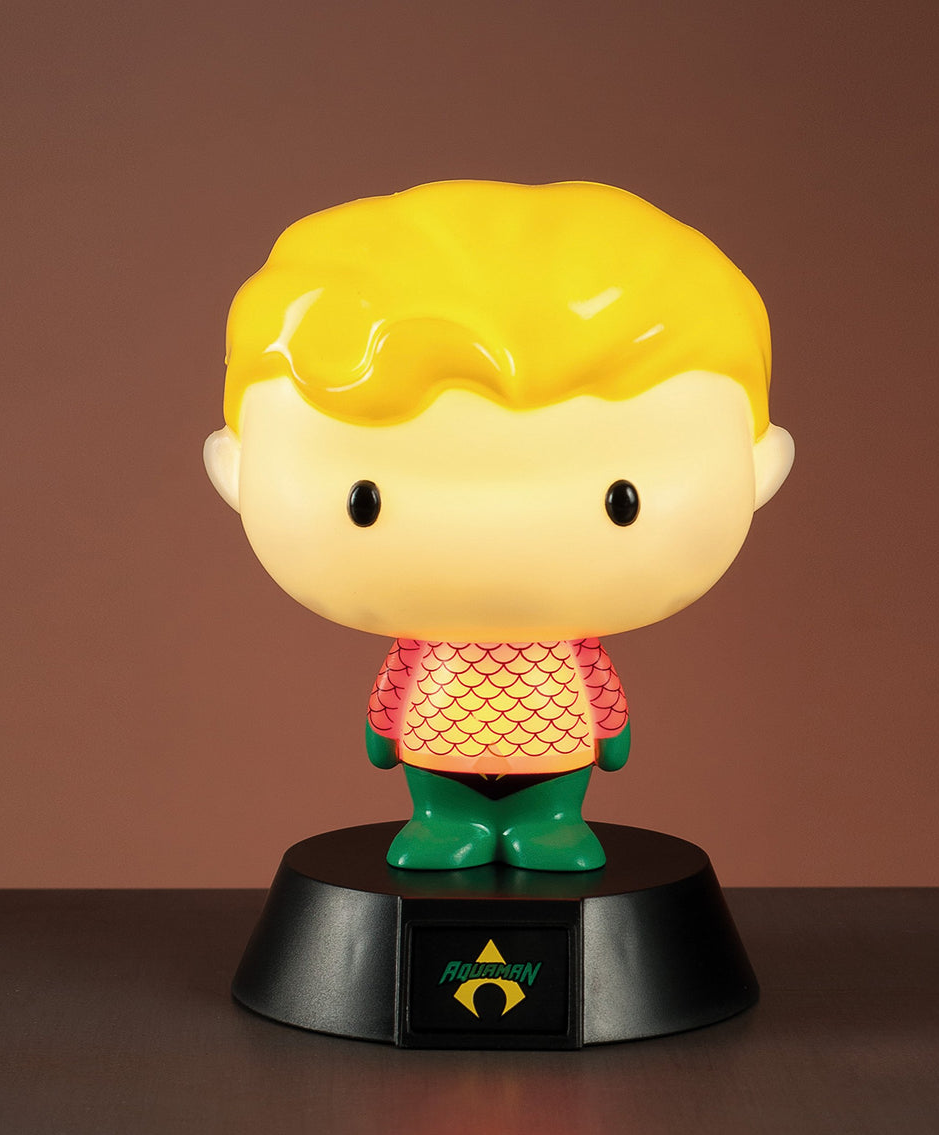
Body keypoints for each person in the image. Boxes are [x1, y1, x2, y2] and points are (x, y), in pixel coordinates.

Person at [203, 180, 793, 871]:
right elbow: (398, 695)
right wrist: (384, 726)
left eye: (621, 500)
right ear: (235, 469)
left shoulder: (564, 653)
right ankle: (443, 820)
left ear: (760, 468)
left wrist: (610, 728)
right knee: (445, 806)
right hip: (440, 758)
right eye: (366, 500)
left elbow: (599, 699)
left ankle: (549, 823)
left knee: (549, 809)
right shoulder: (430, 652)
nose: (496, 530)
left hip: (552, 760)